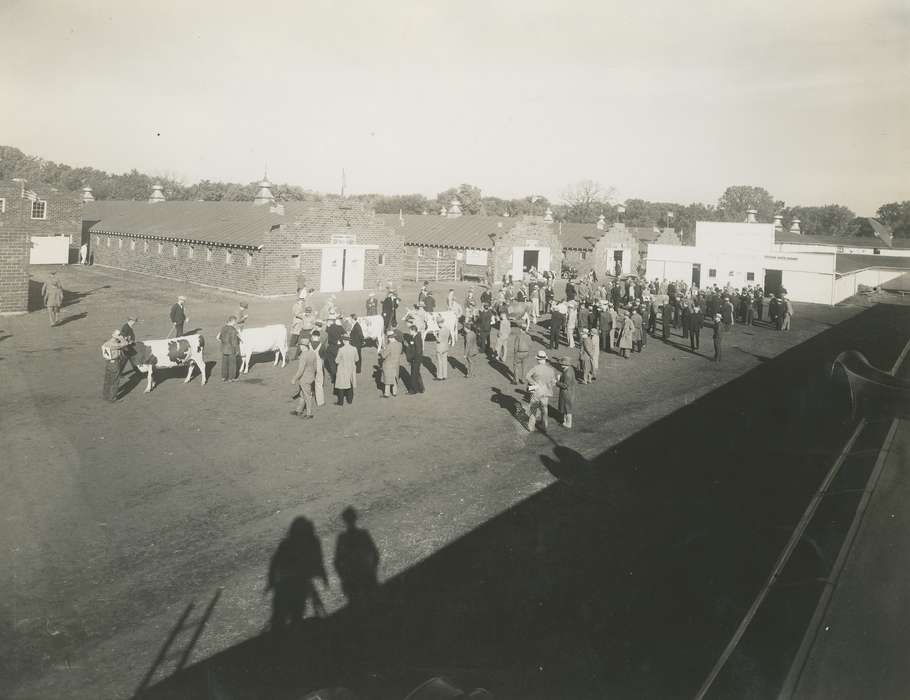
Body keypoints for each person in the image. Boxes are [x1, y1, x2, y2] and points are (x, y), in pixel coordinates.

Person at [267, 517, 328, 632]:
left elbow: (274, 564)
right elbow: (317, 562)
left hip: (285, 585)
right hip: (297, 584)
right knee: (296, 614)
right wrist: (323, 576)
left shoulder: (286, 544)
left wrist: (270, 583)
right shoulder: (309, 543)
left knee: (282, 617)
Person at [333, 507, 380, 610]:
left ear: (344, 520)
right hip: (366, 574)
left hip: (351, 577)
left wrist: (343, 577)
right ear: (355, 518)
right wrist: (372, 570)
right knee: (373, 605)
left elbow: (336, 561)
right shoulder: (363, 534)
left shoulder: (342, 538)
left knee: (356, 607)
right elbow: (375, 554)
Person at [525, 350, 557, 432]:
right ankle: (544, 426)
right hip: (546, 392)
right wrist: (548, 387)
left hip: (536, 391)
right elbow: (553, 382)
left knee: (533, 408)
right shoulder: (551, 369)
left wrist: (534, 383)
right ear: (545, 359)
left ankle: (531, 426)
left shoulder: (535, 368)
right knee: (544, 409)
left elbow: (527, 376)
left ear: (538, 359)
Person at [290, 337, 318, 418]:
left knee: (307, 396)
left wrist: (294, 379)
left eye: (300, 345)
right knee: (302, 394)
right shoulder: (313, 353)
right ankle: (299, 410)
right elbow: (315, 367)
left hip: (304, 379)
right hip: (311, 377)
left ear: (303, 346)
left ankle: (309, 413)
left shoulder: (303, 355)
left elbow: (300, 370)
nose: (300, 347)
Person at [101, 330, 130, 402]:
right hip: (114, 363)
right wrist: (122, 338)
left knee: (107, 380)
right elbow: (125, 343)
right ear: (117, 336)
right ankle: (112, 398)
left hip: (108, 363)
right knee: (115, 381)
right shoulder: (115, 344)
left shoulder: (107, 343)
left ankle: (105, 395)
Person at [334, 335, 358, 405]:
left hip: (343, 369)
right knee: (350, 384)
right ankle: (350, 400)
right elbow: (357, 359)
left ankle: (340, 402)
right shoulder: (354, 349)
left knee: (341, 385)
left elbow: (337, 361)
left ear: (344, 341)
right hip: (351, 368)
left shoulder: (341, 349)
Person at [556, 355, 577, 428]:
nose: (560, 365)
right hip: (570, 392)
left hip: (566, 394)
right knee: (567, 408)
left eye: (561, 364)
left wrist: (557, 382)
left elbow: (565, 385)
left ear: (564, 365)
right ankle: (565, 421)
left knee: (567, 409)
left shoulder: (567, 374)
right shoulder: (570, 369)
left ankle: (568, 424)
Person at [218, 316, 241, 382]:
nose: (235, 323)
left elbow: (219, 338)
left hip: (224, 349)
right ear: (233, 321)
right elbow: (234, 342)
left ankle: (223, 377)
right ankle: (231, 378)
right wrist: (237, 350)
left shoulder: (223, 328)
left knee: (224, 363)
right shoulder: (233, 330)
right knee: (232, 364)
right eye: (235, 322)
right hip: (231, 349)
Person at [380, 329, 402, 397]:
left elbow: (383, 355)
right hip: (396, 364)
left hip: (388, 364)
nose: (388, 339)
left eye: (389, 338)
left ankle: (387, 393)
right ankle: (395, 392)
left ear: (392, 338)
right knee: (395, 379)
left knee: (387, 380)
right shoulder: (400, 344)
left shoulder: (390, 345)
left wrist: (382, 350)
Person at [404, 325, 425, 394]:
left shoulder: (416, 338)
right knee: (417, 374)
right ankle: (421, 388)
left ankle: (413, 390)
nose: (409, 332)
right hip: (416, 359)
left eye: (410, 330)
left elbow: (418, 350)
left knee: (413, 374)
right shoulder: (415, 337)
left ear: (413, 330)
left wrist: (413, 358)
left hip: (416, 359)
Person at [288, 292, 308, 360]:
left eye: (303, 300)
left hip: (300, 324)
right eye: (302, 300)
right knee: (294, 339)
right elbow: (297, 314)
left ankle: (297, 354)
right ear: (299, 300)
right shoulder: (296, 306)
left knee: (299, 339)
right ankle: (291, 354)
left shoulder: (300, 305)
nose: (303, 301)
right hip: (297, 324)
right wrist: (304, 315)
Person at [435, 316, 454, 380]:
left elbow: (439, 340)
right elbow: (449, 338)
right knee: (445, 361)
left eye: (437, 323)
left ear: (439, 323)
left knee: (439, 362)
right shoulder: (447, 329)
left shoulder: (440, 331)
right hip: (445, 347)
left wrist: (435, 335)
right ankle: (445, 375)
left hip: (440, 348)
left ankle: (440, 376)